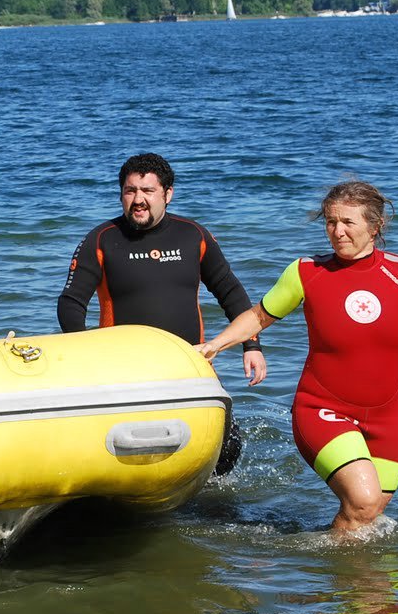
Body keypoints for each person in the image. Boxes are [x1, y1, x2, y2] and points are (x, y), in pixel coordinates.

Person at [198, 180, 398, 535]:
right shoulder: (306, 272)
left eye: (347, 222)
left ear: (376, 226)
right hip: (322, 409)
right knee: (363, 501)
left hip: (388, 420)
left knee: (363, 518)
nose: (337, 231)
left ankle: (334, 582)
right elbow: (259, 316)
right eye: (330, 222)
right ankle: (326, 574)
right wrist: (215, 345)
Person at [57, 153, 264, 472]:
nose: (138, 200)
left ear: (168, 194)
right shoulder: (101, 239)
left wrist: (251, 346)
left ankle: (209, 503)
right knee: (131, 449)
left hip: (190, 363)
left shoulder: (193, 236)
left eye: (147, 191)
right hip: (123, 371)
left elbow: (230, 291)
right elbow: (72, 302)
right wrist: (84, 354)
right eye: (130, 191)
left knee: (228, 447)